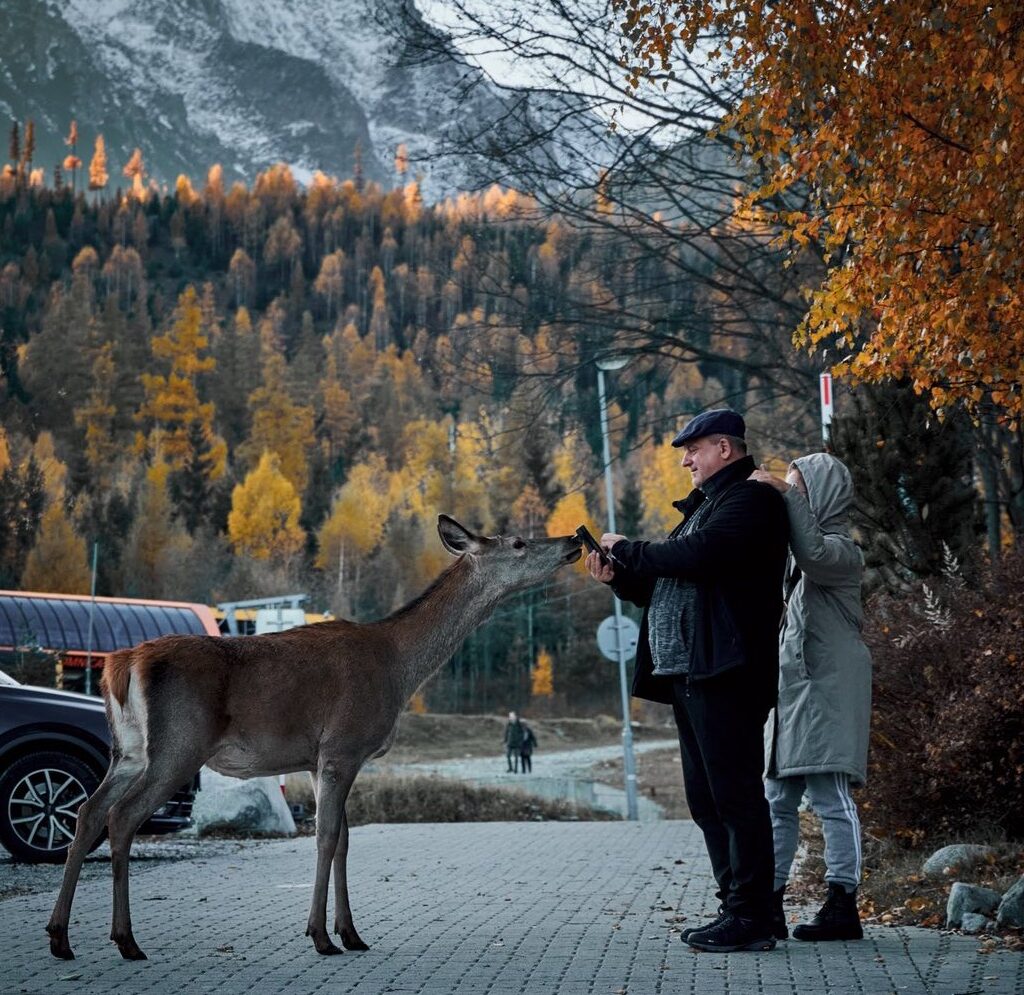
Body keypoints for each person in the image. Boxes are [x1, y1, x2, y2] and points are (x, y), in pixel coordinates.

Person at [586, 409, 789, 953]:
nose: (685, 460)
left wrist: (629, 548)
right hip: (692, 672)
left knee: (734, 795)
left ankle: (749, 915)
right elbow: (669, 587)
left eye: (692, 449)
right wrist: (621, 578)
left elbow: (700, 556)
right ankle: (748, 910)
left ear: (724, 448)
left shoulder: (750, 500)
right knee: (706, 798)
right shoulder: (707, 508)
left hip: (725, 671)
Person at [749, 453, 872, 942]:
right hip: (794, 695)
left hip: (828, 691)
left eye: (800, 489)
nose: (790, 495)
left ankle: (844, 904)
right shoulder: (796, 566)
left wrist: (783, 494)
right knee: (777, 799)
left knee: (830, 796)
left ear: (819, 496)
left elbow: (816, 552)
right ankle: (771, 903)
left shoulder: (842, 552)